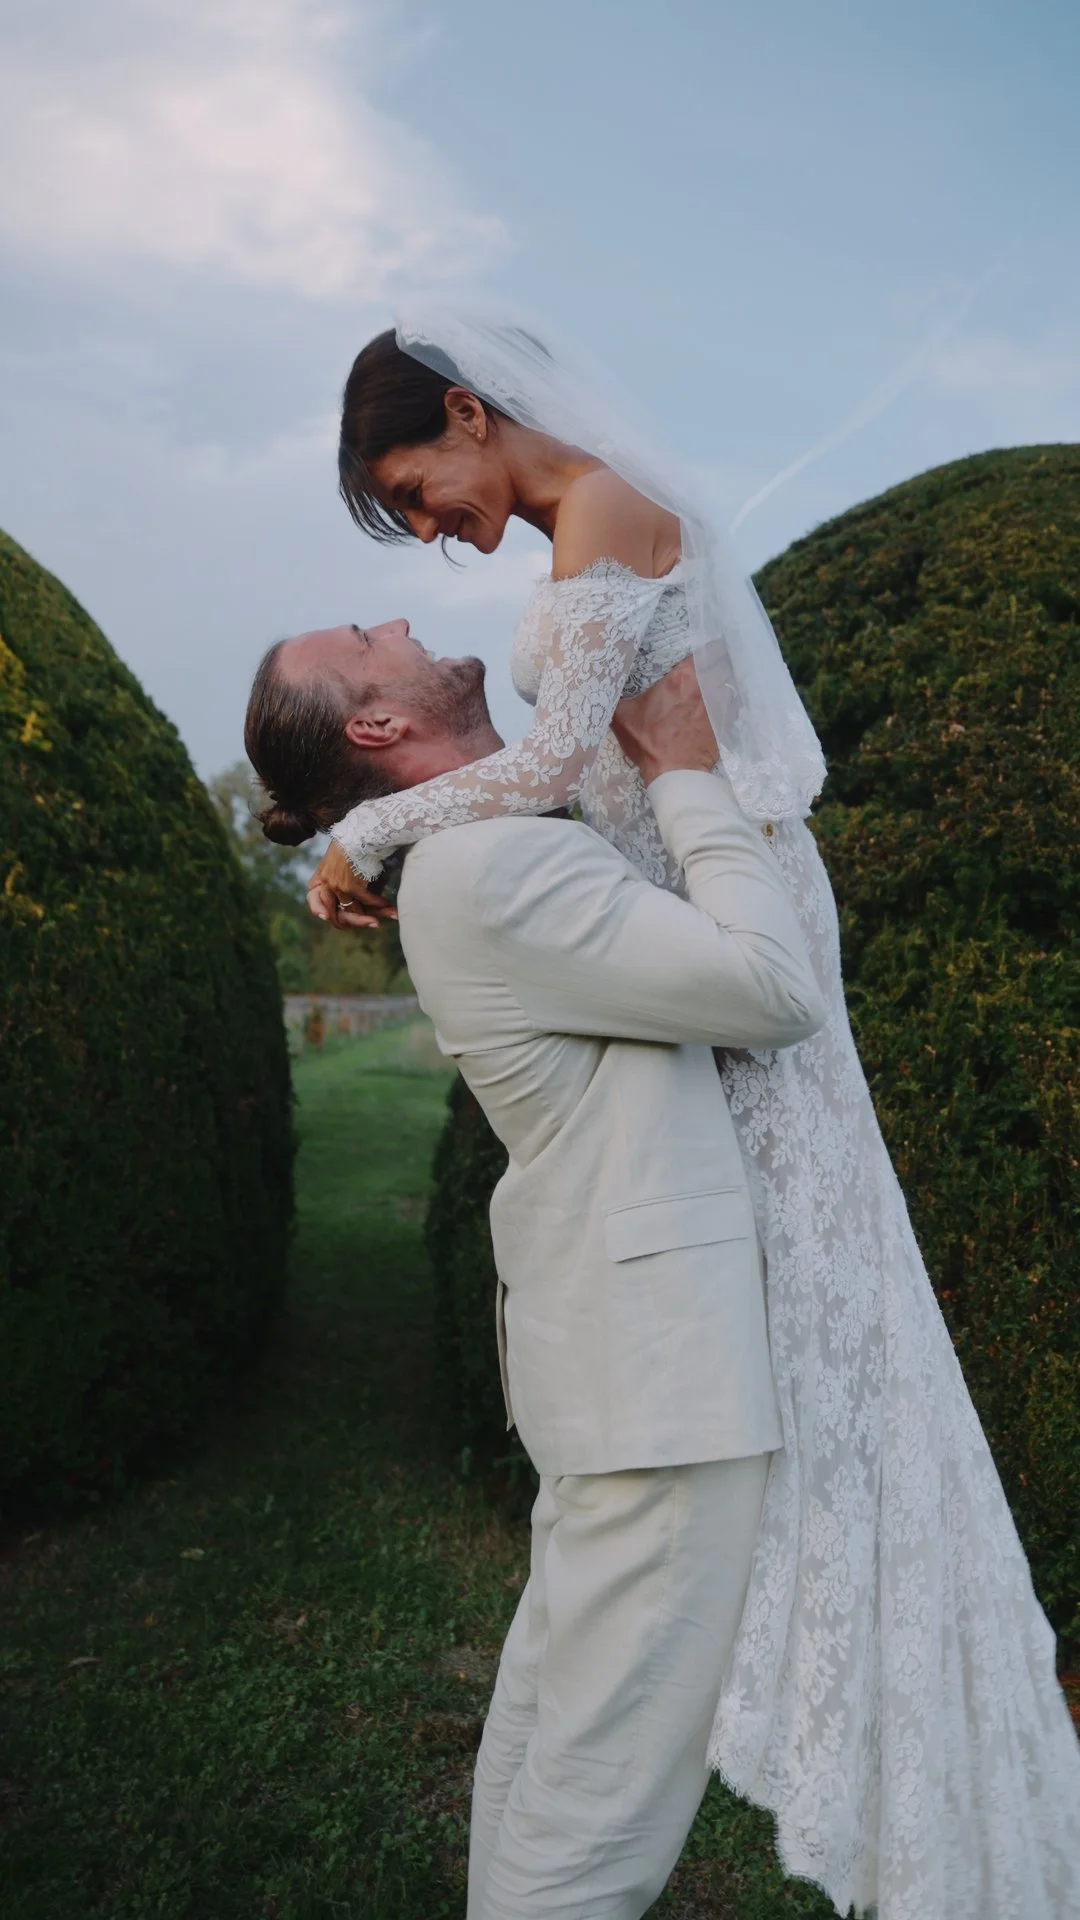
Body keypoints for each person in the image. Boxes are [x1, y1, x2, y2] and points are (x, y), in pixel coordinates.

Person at [278, 310, 1080, 1918]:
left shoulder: (600, 522)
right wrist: (385, 833)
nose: (432, 533)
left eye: (416, 491)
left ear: (467, 408)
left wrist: (361, 837)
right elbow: (577, 774)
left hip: (729, 891)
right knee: (804, 1263)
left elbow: (570, 754)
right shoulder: (581, 550)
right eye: (409, 520)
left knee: (806, 1243)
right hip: (694, 903)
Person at [247, 629, 827, 1917]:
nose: (400, 626)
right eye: (366, 641)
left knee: (551, 1736)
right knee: (603, 1801)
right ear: (376, 729)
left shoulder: (480, 847)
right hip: (658, 1375)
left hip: (619, 1362)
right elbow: (773, 988)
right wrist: (685, 776)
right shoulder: (495, 864)